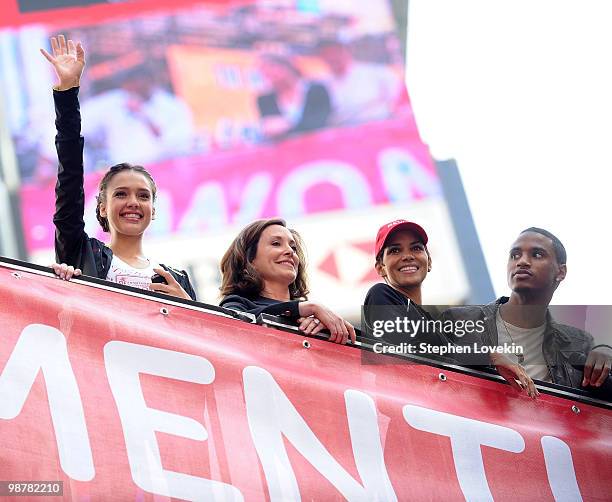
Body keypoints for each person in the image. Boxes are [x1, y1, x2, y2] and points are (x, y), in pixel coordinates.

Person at [42, 35, 196, 300]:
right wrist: (67, 93)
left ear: (154, 209)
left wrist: (189, 308)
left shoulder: (176, 278)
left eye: (143, 195)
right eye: (121, 194)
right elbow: (69, 174)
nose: (133, 202)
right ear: (102, 206)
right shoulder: (82, 255)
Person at [441, 228, 612, 399]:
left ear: (561, 272)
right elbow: (427, 352)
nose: (522, 261)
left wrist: (607, 356)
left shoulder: (579, 342)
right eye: (515, 255)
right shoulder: (460, 320)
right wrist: (488, 356)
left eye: (537, 255)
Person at [219, 218, 356, 344]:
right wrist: (302, 308)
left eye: (293, 248)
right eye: (276, 243)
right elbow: (228, 327)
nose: (290, 251)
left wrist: (330, 331)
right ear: (249, 260)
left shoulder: (314, 317)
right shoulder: (236, 303)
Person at [363, 219, 447, 352]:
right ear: (380, 268)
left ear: (429, 262)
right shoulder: (379, 294)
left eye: (416, 248)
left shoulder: (436, 326)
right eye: (395, 250)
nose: (407, 256)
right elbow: (410, 352)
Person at [317, 40, 404, 126]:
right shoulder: (321, 83)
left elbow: (397, 101)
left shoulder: (377, 73)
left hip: (379, 125)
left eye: (335, 52)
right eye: (326, 54)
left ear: (347, 52)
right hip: (343, 131)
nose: (332, 57)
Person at [257, 55, 331, 140]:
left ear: (287, 67)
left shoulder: (317, 90)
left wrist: (288, 124)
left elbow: (318, 122)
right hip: (286, 149)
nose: (270, 74)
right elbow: (271, 129)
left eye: (272, 68)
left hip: (317, 144)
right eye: (265, 73)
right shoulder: (265, 100)